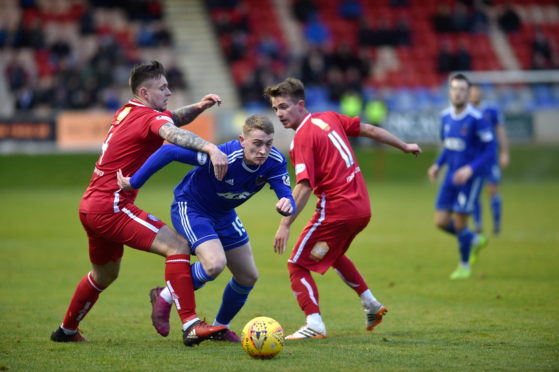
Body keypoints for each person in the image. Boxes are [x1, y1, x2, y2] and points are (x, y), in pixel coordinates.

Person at [50, 60, 230, 347]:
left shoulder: (127, 111)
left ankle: (66, 330)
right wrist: (209, 146)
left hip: (91, 206)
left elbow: (172, 119)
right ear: (145, 93)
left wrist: (199, 107)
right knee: (178, 246)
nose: (168, 92)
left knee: (105, 274)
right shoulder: (149, 118)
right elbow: (171, 133)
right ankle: (191, 324)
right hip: (112, 207)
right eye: (162, 87)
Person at [264, 77, 421, 340]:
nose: (279, 114)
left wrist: (284, 225)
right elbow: (369, 130)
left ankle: (314, 323)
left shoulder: (302, 138)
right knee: (332, 254)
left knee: (297, 265)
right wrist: (403, 145)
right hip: (361, 208)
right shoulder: (329, 117)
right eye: (275, 109)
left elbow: (303, 187)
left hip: (337, 210)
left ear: (300, 104)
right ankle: (371, 304)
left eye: (283, 106)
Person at [116, 114, 295, 342]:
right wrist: (134, 182)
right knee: (214, 264)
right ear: (242, 140)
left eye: (268, 144)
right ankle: (164, 295)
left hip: (224, 214)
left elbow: (284, 191)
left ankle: (220, 328)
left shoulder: (275, 161)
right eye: (257, 144)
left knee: (248, 276)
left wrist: (286, 202)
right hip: (192, 207)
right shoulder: (224, 156)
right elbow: (168, 152)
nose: (263, 150)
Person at [427, 74, 495, 280]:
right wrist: (437, 165)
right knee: (440, 221)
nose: (458, 92)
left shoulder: (477, 119)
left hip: (471, 179)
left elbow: (490, 151)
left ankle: (464, 265)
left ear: (468, 93)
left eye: (462, 89)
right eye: (454, 88)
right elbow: (449, 147)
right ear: (450, 91)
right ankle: (473, 239)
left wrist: (470, 169)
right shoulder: (445, 117)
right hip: (450, 177)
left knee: (459, 223)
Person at [470, 84, 509, 235]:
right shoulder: (468, 112)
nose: (475, 94)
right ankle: (478, 225)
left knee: (492, 190)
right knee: (475, 192)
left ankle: (497, 225)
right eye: (472, 92)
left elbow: (500, 131)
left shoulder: (491, 111)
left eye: (477, 91)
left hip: (490, 157)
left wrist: (504, 152)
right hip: (473, 159)